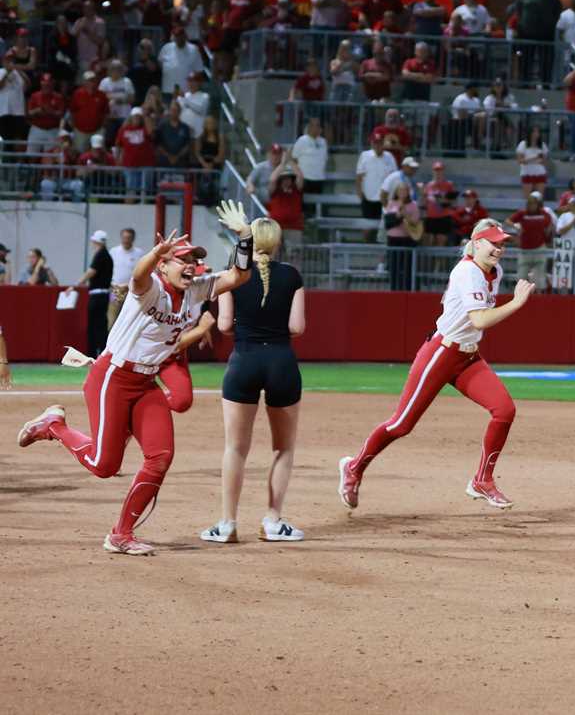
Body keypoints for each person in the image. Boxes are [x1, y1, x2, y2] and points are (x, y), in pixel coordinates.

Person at [16, 203, 254, 555]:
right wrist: (154, 253)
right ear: (163, 264)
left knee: (160, 456)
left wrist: (246, 238)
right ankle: (54, 425)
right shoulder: (152, 285)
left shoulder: (195, 290)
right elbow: (139, 278)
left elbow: (239, 277)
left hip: (146, 383)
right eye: (182, 259)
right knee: (103, 466)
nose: (190, 266)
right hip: (112, 376)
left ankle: (120, 533)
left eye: (194, 260)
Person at [339, 221, 536, 511]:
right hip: (441, 353)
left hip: (467, 357)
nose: (499, 248)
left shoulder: (495, 271)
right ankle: (353, 468)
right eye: (494, 242)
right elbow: (479, 320)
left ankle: (483, 479)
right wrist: (517, 303)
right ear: (476, 242)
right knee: (401, 424)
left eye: (503, 243)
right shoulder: (468, 271)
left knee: (504, 410)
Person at [199, 218, 307, 544]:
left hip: (243, 360)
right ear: (276, 244)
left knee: (235, 448)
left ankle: (227, 523)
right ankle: (273, 520)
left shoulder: (231, 275)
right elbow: (297, 327)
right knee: (283, 448)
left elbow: (225, 325)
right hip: (281, 362)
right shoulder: (292, 275)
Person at [76, 230, 113, 357]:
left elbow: (91, 271)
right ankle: (101, 351)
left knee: (95, 325)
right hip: (103, 295)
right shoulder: (106, 255)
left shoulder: (100, 255)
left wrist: (77, 283)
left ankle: (93, 353)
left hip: (97, 296)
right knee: (101, 324)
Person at [383, 183, 421, 292]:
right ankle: (394, 290)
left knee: (407, 267)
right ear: (396, 192)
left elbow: (416, 222)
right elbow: (388, 221)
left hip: (407, 239)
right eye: (400, 190)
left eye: (405, 190)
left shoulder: (413, 205)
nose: (403, 193)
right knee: (394, 267)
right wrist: (398, 216)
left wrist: (406, 215)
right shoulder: (391, 203)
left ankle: (407, 290)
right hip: (393, 239)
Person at [107, 228, 143, 329]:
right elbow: (107, 270)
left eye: (128, 238)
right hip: (115, 290)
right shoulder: (113, 252)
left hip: (131, 290)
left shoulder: (139, 253)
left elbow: (141, 272)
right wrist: (113, 284)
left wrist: (129, 285)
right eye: (124, 238)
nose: (126, 240)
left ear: (133, 239)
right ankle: (111, 344)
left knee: (129, 319)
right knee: (112, 319)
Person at [515, 126, 549, 196]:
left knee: (539, 198)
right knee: (528, 199)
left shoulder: (542, 145)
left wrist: (538, 160)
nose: (536, 134)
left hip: (540, 173)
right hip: (527, 172)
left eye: (538, 132)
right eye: (534, 132)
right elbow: (520, 161)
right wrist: (535, 158)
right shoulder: (523, 144)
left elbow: (545, 161)